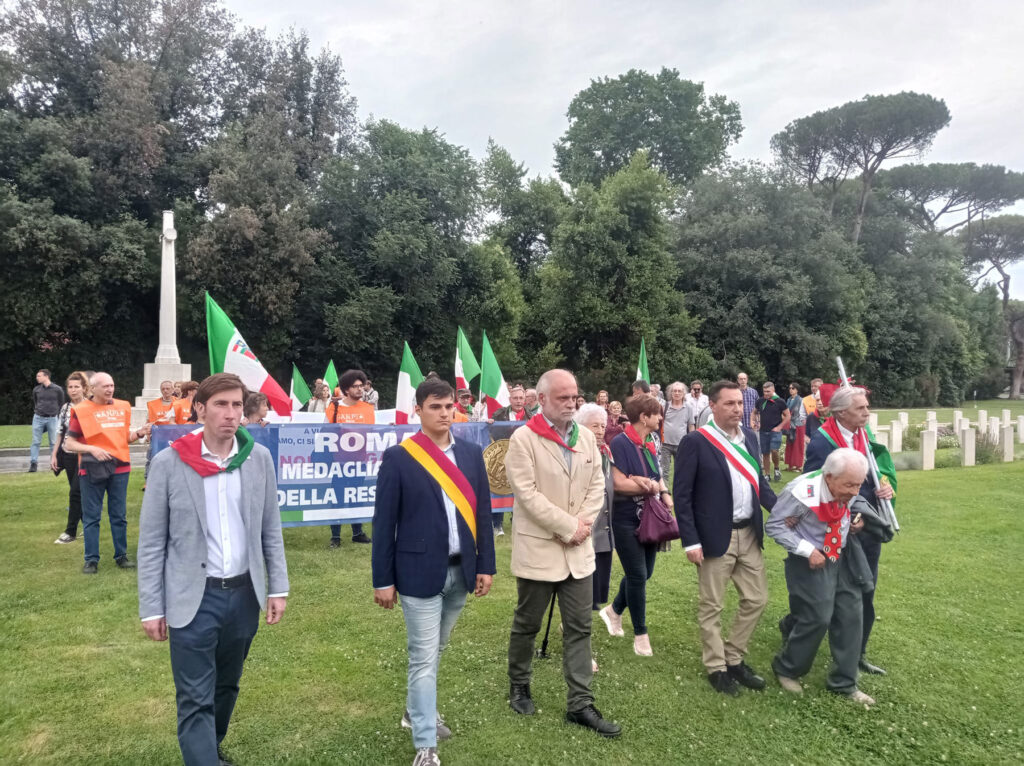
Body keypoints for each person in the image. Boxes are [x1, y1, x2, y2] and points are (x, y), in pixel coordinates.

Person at [137, 372, 289, 766]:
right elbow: (152, 542)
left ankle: (210, 748)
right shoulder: (169, 463)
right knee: (194, 696)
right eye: (221, 404)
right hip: (193, 598)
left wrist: (278, 588)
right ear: (200, 408)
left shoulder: (258, 459)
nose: (231, 413)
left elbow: (270, 529)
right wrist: (152, 607)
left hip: (242, 596)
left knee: (226, 686)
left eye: (237, 405)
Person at [372, 378, 496, 766]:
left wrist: (487, 566)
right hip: (417, 572)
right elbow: (384, 523)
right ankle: (426, 745)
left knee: (436, 649)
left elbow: (483, 513)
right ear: (419, 410)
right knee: (424, 657)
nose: (444, 414)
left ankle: (413, 712)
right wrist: (383, 579)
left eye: (449, 407)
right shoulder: (400, 457)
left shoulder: (473, 454)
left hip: (463, 570)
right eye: (435, 407)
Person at [504, 369, 621, 738]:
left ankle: (580, 703)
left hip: (579, 552)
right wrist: (571, 528)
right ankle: (519, 683)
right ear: (542, 400)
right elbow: (527, 495)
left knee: (580, 628)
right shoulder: (523, 439)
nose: (572, 403)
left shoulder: (587, 438)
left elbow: (597, 487)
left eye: (575, 397)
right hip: (541, 549)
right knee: (528, 623)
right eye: (563, 398)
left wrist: (582, 526)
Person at [673, 380, 777, 696]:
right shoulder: (697, 442)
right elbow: (683, 495)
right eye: (729, 404)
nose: (737, 409)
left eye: (739, 404)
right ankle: (717, 667)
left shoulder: (750, 439)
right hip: (714, 536)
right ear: (713, 407)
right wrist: (690, 540)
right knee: (712, 606)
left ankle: (734, 657)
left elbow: (759, 482)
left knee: (757, 599)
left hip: (748, 532)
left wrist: (783, 510)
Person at [767, 448, 890, 704]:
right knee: (818, 617)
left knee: (851, 615)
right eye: (849, 485)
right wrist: (807, 550)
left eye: (859, 484)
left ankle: (845, 683)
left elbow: (851, 506)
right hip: (811, 560)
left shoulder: (846, 488)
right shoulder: (800, 493)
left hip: (843, 556)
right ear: (829, 476)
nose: (855, 491)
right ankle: (787, 668)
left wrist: (859, 522)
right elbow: (775, 525)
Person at [804, 386, 895, 676]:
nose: (867, 413)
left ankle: (858, 653)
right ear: (842, 412)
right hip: (837, 530)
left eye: (867, 407)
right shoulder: (822, 443)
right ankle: (794, 624)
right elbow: (814, 488)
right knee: (830, 594)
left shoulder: (865, 438)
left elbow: (879, 475)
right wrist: (845, 515)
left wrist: (887, 485)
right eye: (861, 408)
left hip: (867, 529)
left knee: (866, 591)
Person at [598, 395, 671, 657]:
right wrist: (645, 485)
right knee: (638, 575)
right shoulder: (620, 442)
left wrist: (664, 493)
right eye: (657, 414)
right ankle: (641, 634)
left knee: (645, 572)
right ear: (644, 417)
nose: (660, 418)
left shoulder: (650, 441)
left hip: (650, 518)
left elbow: (657, 475)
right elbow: (619, 483)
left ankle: (614, 610)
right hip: (626, 517)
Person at [63, 372, 150, 574]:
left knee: (118, 515)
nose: (110, 389)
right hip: (91, 467)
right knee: (92, 516)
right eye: (105, 386)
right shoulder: (82, 410)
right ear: (92, 389)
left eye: (112, 385)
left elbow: (123, 437)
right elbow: (69, 443)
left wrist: (138, 433)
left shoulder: (122, 407)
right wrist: (92, 448)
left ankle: (121, 556)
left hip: (120, 467)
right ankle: (91, 560)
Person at [574, 404, 614, 646]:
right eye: (594, 426)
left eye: (602, 425)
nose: (600, 430)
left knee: (597, 588)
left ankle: (577, 626)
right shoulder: (577, 453)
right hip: (585, 529)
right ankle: (577, 635)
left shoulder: (607, 452)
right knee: (582, 590)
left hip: (605, 532)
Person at [325, 369, 375, 547]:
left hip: (359, 461)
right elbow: (325, 433)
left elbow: (374, 432)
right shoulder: (334, 408)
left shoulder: (369, 409)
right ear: (346, 389)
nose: (360, 389)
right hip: (339, 462)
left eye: (361, 386)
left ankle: (358, 532)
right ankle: (336, 536)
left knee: (357, 496)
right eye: (355, 386)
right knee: (337, 498)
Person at [50, 371, 90, 543]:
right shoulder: (65, 408)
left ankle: (70, 532)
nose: (73, 390)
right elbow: (60, 433)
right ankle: (88, 526)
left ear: (84, 388)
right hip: (67, 455)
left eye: (77, 387)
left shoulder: (90, 407)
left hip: (84, 455)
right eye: (70, 387)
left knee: (75, 492)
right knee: (78, 494)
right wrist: (54, 455)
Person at [752, 381, 790, 482]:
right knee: (765, 453)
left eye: (768, 391)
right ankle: (767, 474)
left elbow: (788, 416)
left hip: (775, 431)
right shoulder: (760, 401)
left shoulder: (780, 401)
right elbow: (754, 412)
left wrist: (780, 427)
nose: (766, 394)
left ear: (773, 390)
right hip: (763, 431)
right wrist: (752, 422)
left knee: (774, 450)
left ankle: (777, 469)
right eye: (764, 391)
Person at [30, 368, 65, 472]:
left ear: (46, 376)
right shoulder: (36, 389)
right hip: (38, 417)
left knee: (53, 442)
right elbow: (36, 402)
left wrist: (58, 416)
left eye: (39, 376)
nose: (37, 378)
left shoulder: (57, 389)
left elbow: (61, 404)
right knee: (36, 441)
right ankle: (33, 463)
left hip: (52, 419)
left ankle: (54, 463)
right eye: (37, 376)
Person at [661, 382, 694, 478]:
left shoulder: (688, 407)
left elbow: (691, 425)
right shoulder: (665, 406)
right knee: (664, 471)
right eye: (674, 391)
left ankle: (679, 492)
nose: (677, 393)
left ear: (684, 393)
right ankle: (665, 492)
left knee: (681, 471)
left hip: (681, 444)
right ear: (671, 393)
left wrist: (691, 442)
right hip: (665, 444)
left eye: (679, 391)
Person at [784, 383, 807, 472]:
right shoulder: (789, 400)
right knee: (790, 443)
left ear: (797, 390)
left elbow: (803, 413)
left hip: (799, 424)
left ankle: (798, 466)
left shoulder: (801, 400)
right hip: (790, 424)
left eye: (793, 388)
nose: (791, 390)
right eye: (789, 388)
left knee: (798, 445)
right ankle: (790, 465)